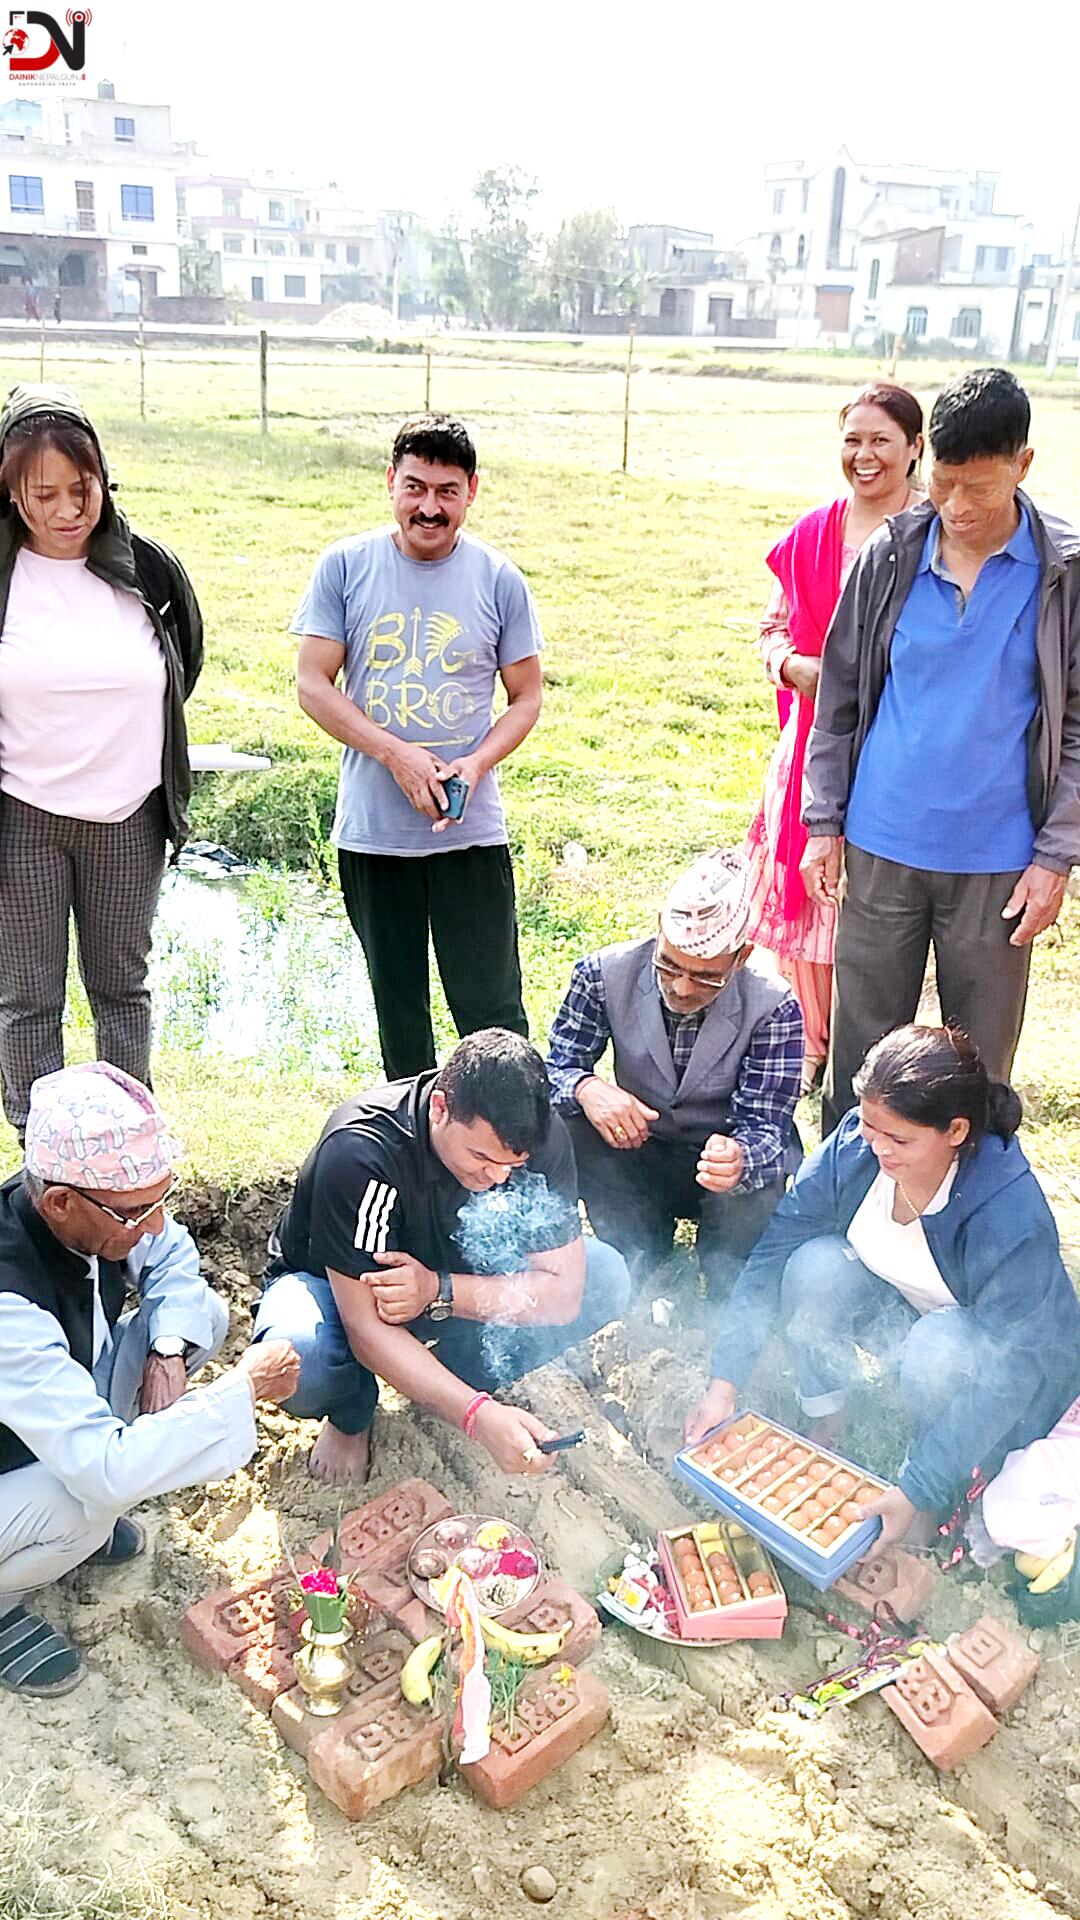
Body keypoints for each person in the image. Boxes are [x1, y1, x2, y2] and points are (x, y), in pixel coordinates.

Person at [801, 367, 1080, 1134]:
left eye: (980, 488)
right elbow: (841, 698)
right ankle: (843, 1215)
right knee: (865, 1053)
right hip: (882, 844)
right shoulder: (890, 555)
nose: (957, 507)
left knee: (978, 1066)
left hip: (999, 863)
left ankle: (966, 1223)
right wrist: (823, 824)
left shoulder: (1066, 574)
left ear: (1023, 466)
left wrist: (1055, 855)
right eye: (944, 482)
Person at [686, 1026, 1080, 1550]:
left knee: (938, 1347)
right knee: (814, 1266)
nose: (878, 1148)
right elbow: (774, 1253)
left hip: (1007, 1370)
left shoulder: (1007, 1214)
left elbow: (1014, 1369)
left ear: (956, 1131)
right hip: (908, 1313)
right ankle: (830, 1417)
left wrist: (920, 1485)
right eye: (870, 1126)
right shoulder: (858, 1146)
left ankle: (933, 1487)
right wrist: (724, 1383)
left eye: (899, 1139)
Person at [0, 1063, 300, 1696]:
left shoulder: (85, 1209)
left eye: (160, 1201)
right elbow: (104, 1471)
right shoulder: (8, 1302)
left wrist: (165, 1351)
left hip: (43, 1420)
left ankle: (55, 1535)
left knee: (201, 1319)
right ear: (59, 1202)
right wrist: (241, 1391)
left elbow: (171, 1255)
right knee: (85, 1506)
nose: (155, 1223)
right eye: (139, 1210)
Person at [252, 1027, 631, 1487]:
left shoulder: (542, 1139)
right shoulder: (363, 1152)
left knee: (606, 1276)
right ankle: (352, 1411)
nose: (495, 1178)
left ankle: (452, 1377)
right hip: (337, 1287)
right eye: (480, 1157)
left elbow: (565, 1294)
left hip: (443, 1282)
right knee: (303, 1357)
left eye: (510, 1166)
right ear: (439, 1107)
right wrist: (478, 1418)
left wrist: (439, 1290)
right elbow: (366, 1326)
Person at [294, 413, 542, 1081]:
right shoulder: (345, 567)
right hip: (375, 837)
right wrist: (393, 753)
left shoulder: (498, 579)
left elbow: (526, 697)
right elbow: (313, 683)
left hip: (470, 835)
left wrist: (476, 762)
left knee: (493, 1015)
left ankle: (513, 1159)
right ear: (390, 484)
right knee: (399, 1018)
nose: (429, 508)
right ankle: (417, 1159)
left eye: (446, 491)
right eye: (414, 487)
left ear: (472, 491)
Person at [0, 383, 204, 1140]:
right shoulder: (5, 577)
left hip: (128, 815)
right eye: (43, 493)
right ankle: (42, 1147)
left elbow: (184, 661)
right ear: (12, 493)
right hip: (23, 816)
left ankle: (127, 1141)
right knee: (28, 996)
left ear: (103, 479)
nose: (66, 509)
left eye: (80, 488)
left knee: (122, 988)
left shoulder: (146, 568)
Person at [744, 384, 924, 1092]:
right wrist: (797, 667)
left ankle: (877, 1049)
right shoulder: (814, 533)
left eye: (881, 440)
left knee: (876, 903)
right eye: (853, 439)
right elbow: (771, 632)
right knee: (811, 895)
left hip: (903, 746)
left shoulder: (935, 533)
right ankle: (812, 1047)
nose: (865, 454)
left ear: (915, 447)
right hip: (812, 745)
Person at [547, 849, 802, 1290]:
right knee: (567, 1126)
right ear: (659, 928)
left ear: (742, 958)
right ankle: (642, 1261)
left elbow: (767, 1126)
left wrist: (741, 1158)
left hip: (719, 1168)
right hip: (636, 1153)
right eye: (670, 965)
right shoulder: (603, 974)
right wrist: (586, 1087)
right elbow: (553, 1071)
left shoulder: (773, 1007)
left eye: (705, 977)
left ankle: (725, 1279)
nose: (682, 988)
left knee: (757, 1185)